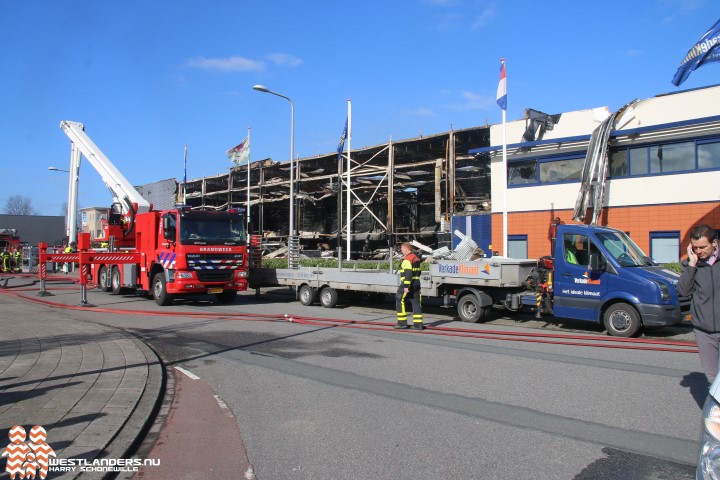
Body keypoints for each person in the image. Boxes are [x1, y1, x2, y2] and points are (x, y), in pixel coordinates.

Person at [676, 224, 720, 383]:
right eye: (695, 248)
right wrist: (692, 265)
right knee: (713, 380)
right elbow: (683, 292)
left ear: (715, 243)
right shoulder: (690, 265)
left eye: (703, 247)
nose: (699, 251)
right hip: (704, 331)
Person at [395, 242, 424, 330]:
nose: (402, 250)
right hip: (416, 282)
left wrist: (406, 286)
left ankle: (402, 323)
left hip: (408, 283)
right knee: (416, 302)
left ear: (406, 249)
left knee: (400, 299)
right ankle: (418, 324)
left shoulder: (407, 259)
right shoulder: (416, 258)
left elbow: (408, 273)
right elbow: (418, 271)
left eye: (402, 249)